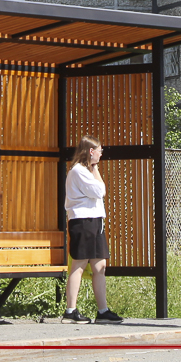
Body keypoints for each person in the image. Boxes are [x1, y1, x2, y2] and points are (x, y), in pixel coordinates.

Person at [62, 136, 122, 324]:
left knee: (99, 266)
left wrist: (94, 168)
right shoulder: (78, 171)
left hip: (96, 221)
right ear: (90, 151)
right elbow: (100, 191)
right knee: (79, 265)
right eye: (99, 150)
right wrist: (94, 169)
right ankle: (70, 311)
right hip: (82, 221)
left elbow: (101, 189)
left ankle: (102, 311)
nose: (101, 153)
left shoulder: (88, 171)